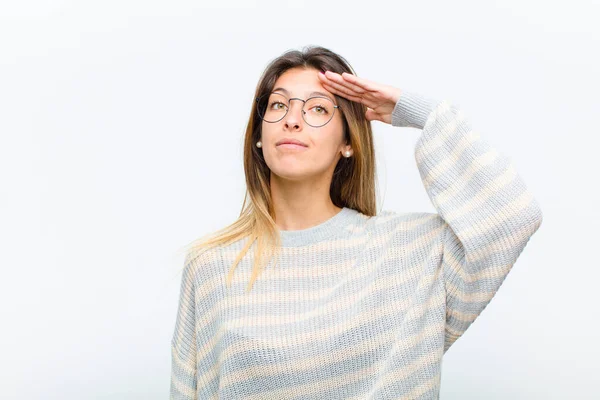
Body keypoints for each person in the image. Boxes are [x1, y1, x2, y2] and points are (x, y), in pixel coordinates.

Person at [169, 45, 543, 399]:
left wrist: (420, 112)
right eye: (279, 105)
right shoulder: (211, 266)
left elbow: (514, 216)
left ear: (348, 142)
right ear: (259, 138)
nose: (293, 120)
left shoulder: (412, 252)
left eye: (317, 109)